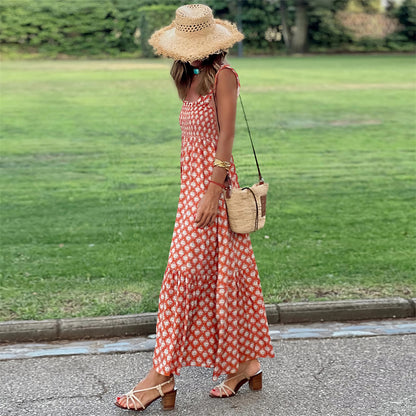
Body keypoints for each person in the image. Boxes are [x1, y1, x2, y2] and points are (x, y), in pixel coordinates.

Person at [115, 4, 275, 412]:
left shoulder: (224, 77)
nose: (186, 53)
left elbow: (226, 140)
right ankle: (245, 363)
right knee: (223, 276)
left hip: (213, 194)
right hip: (191, 191)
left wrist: (210, 192)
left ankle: (160, 377)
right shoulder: (188, 78)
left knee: (183, 276)